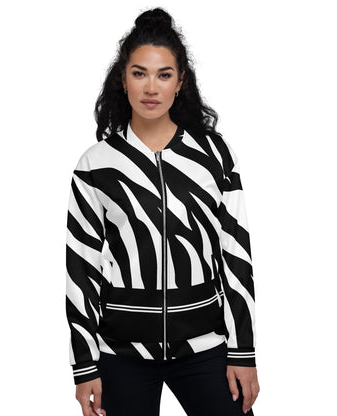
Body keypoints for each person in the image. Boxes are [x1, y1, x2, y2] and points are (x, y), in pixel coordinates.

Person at [65, 7, 260, 416]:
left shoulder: (214, 155)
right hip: (122, 353)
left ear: (180, 81)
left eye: (164, 74)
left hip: (205, 346)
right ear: (123, 79)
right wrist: (84, 366)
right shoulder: (95, 165)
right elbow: (81, 269)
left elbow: (236, 256)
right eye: (139, 73)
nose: (151, 87)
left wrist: (243, 352)